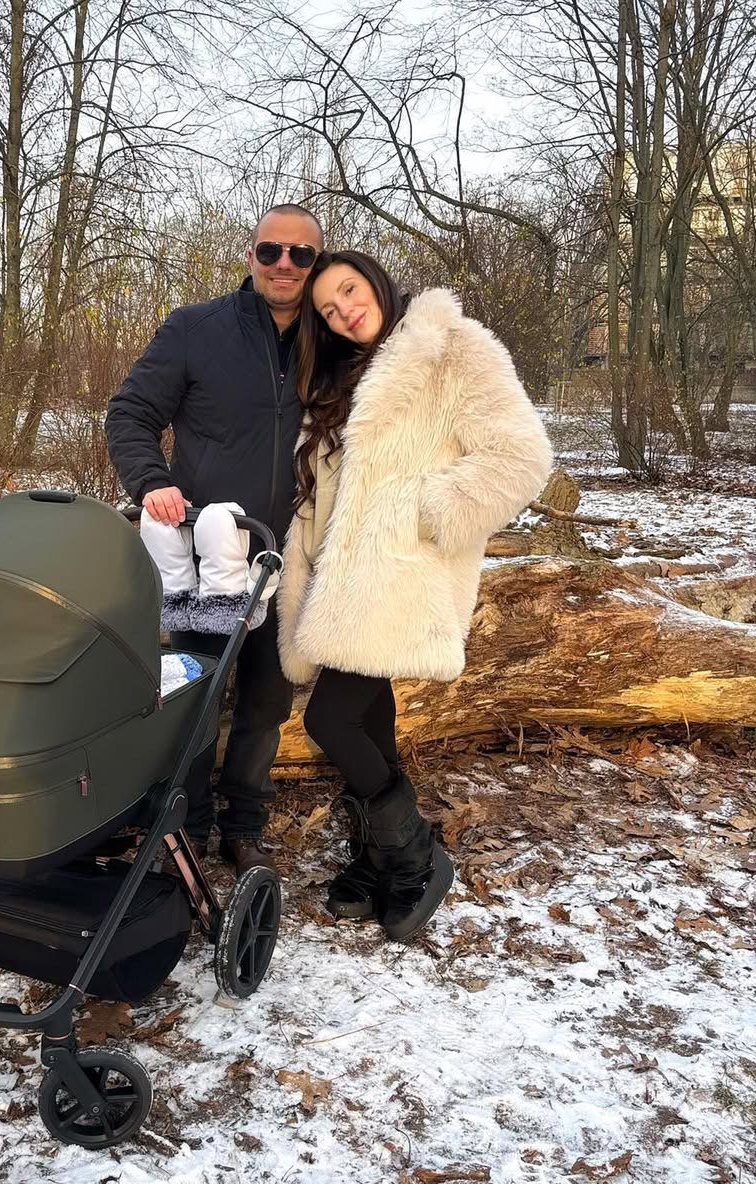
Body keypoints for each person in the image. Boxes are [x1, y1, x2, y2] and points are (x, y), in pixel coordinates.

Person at [277, 250, 553, 940]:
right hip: (345, 577)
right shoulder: (345, 376)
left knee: (329, 722)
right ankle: (375, 863)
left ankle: (415, 857)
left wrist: (431, 509)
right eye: (329, 311)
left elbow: (521, 457)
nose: (344, 310)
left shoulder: (453, 346)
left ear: (373, 277)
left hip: (403, 568)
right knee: (367, 721)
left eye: (348, 290)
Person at [104, 204, 325, 874]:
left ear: (317, 264)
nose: (284, 264)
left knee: (265, 702)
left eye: (301, 255)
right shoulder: (195, 329)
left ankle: (244, 827)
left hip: (294, 556)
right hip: (209, 559)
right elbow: (131, 412)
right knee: (195, 697)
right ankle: (185, 828)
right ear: (250, 254)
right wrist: (151, 482)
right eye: (270, 251)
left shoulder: (333, 342)